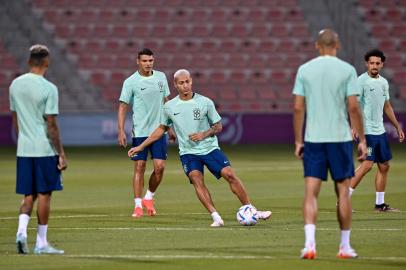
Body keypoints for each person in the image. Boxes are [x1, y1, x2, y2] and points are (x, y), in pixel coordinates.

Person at [127, 69, 272, 227]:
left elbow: (218, 126)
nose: (185, 85)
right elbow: (161, 129)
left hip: (209, 148)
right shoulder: (169, 107)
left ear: (191, 81)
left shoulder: (205, 102)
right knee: (197, 179)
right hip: (188, 153)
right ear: (175, 85)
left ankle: (251, 209)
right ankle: (215, 216)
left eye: (187, 81)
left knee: (229, 174)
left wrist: (205, 133)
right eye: (181, 83)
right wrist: (140, 146)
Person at [293, 29, 367, 259]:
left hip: (314, 139)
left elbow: (298, 108)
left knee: (311, 192)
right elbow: (353, 107)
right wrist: (362, 140)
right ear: (338, 45)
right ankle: (344, 247)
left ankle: (310, 245)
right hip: (339, 138)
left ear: (317, 45)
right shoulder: (347, 70)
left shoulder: (304, 69)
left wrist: (298, 140)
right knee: (343, 191)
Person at [9, 44, 67, 254]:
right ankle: (41, 243)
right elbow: (51, 124)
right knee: (44, 195)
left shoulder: (15, 85)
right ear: (46, 62)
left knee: (28, 195)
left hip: (24, 149)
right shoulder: (48, 88)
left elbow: (15, 121)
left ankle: (21, 232)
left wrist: (23, 140)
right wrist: (60, 152)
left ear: (28, 62)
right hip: (43, 149)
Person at [118, 48, 175, 218]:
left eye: (150, 60)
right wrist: (121, 130)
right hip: (140, 130)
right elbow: (123, 106)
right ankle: (137, 205)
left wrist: (170, 127)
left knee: (160, 167)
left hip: (159, 130)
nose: (148, 63)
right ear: (138, 61)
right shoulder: (131, 82)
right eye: (144, 61)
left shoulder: (161, 77)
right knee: (140, 166)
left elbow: (167, 102)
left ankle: (149, 197)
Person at [350, 49, 404, 211]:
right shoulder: (361, 81)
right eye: (371, 63)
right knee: (367, 165)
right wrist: (354, 126)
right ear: (367, 64)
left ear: (382, 64)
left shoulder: (383, 82)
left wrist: (396, 126)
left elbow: (387, 106)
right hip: (366, 131)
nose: (374, 66)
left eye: (377, 63)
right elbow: (354, 105)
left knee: (384, 165)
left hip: (380, 131)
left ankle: (380, 204)